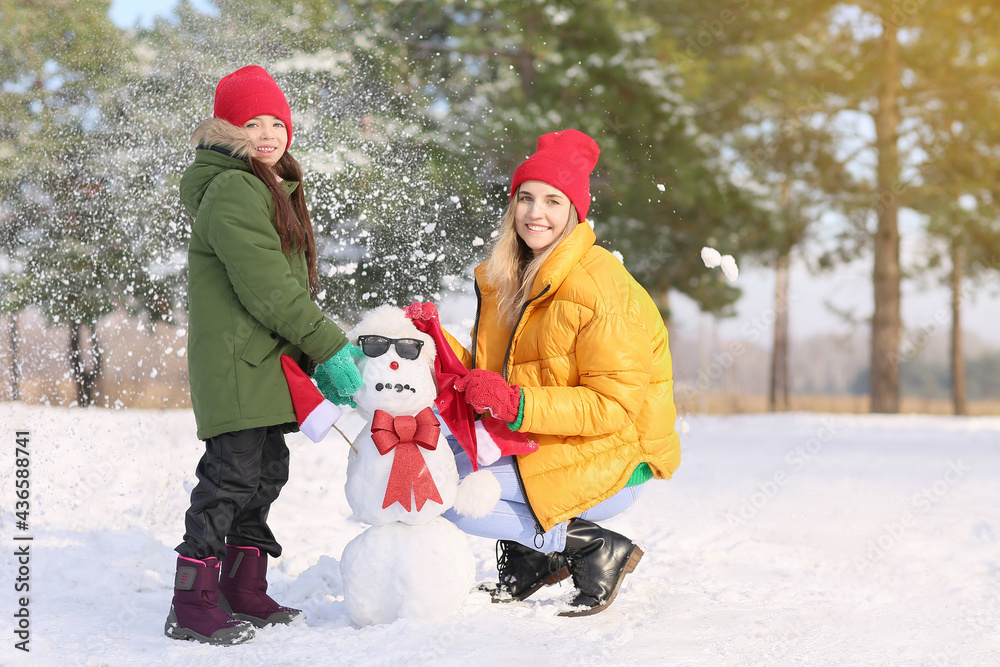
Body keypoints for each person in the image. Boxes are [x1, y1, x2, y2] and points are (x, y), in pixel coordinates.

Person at [441, 129, 681, 616]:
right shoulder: (507, 276)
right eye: (525, 198)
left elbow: (613, 406)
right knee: (426, 460)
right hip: (547, 436)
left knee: (445, 493)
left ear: (575, 212)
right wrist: (430, 346)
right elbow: (493, 378)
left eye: (553, 200)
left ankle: (590, 546)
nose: (535, 213)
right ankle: (534, 557)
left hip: (615, 454)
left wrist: (517, 404)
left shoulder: (599, 288)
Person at [165, 65, 362, 645]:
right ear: (229, 131)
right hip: (237, 363)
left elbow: (283, 290)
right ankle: (191, 600)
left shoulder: (269, 185)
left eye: (277, 121)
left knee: (265, 474)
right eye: (253, 122)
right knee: (229, 479)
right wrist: (327, 346)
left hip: (266, 361)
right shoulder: (233, 190)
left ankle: (240, 587)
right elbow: (268, 286)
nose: (269, 132)